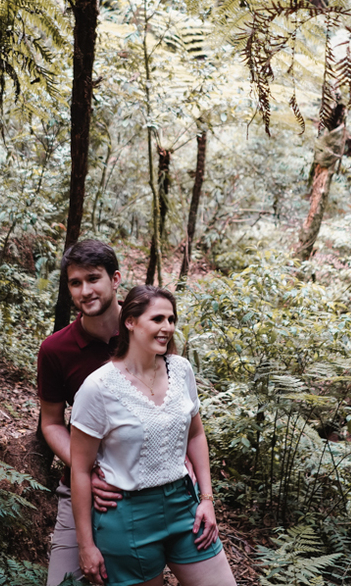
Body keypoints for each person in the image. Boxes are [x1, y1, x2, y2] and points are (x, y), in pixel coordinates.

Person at [69, 285, 237, 586]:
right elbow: (80, 470)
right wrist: (86, 545)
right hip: (127, 517)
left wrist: (207, 499)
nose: (167, 327)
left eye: (171, 319)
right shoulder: (98, 387)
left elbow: (196, 435)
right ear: (130, 322)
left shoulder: (181, 369)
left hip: (184, 505)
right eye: (157, 319)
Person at [37, 240, 127, 586]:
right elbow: (51, 423)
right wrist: (86, 471)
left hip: (142, 489)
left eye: (93, 279)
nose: (85, 291)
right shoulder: (55, 349)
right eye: (76, 283)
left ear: (115, 279)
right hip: (80, 490)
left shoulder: (145, 330)